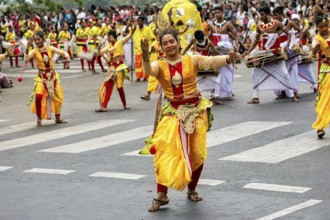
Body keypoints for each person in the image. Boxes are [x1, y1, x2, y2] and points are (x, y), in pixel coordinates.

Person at [141, 28, 238, 212]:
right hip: (173, 112)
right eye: (165, 43)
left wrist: (227, 59)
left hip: (195, 110)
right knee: (164, 151)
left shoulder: (191, 59)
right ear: (161, 47)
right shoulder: (159, 65)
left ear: (178, 42)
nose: (169, 45)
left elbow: (210, 61)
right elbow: (149, 71)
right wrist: (145, 56)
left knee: (197, 153)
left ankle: (192, 188)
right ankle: (162, 194)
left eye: (172, 41)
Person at [245, 6, 296, 104]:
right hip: (264, 55)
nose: (261, 17)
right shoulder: (259, 26)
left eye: (263, 15)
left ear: (268, 14)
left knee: (284, 74)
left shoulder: (277, 23)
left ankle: (292, 95)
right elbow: (256, 40)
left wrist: (287, 46)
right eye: (260, 15)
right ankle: (255, 97)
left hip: (276, 54)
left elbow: (289, 34)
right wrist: (249, 51)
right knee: (255, 74)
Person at [24, 31, 70, 126]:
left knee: (58, 98)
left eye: (39, 39)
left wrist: (67, 56)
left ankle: (57, 118)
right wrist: (27, 47)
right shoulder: (34, 51)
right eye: (35, 40)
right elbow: (26, 59)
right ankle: (39, 118)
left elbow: (62, 52)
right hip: (41, 78)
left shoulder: (50, 48)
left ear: (43, 39)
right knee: (38, 97)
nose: (37, 42)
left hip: (52, 77)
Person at [94, 25, 136, 112]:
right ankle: (104, 106)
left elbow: (129, 36)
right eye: (108, 36)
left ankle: (125, 104)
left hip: (119, 67)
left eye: (110, 36)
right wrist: (98, 47)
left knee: (119, 87)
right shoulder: (108, 46)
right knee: (108, 86)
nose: (109, 38)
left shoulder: (120, 42)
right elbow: (99, 53)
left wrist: (133, 30)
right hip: (111, 69)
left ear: (114, 36)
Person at [182, 30, 223, 104]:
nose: (200, 41)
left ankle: (215, 97)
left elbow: (216, 51)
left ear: (204, 37)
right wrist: (181, 57)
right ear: (196, 39)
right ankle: (190, 97)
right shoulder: (194, 40)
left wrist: (225, 57)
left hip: (207, 65)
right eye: (199, 40)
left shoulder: (209, 42)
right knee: (192, 81)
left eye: (201, 40)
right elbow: (187, 48)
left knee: (217, 79)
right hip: (197, 66)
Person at [209, 6, 237, 101]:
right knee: (217, 71)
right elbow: (209, 38)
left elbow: (236, 36)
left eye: (219, 12)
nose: (217, 14)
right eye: (215, 12)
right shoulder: (212, 25)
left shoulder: (228, 24)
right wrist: (210, 48)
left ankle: (228, 92)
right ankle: (216, 93)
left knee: (228, 71)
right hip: (216, 51)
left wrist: (235, 47)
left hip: (226, 50)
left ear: (223, 12)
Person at [311, 6, 330, 138]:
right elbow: (313, 52)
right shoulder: (316, 38)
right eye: (322, 26)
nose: (325, 28)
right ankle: (320, 126)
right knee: (324, 98)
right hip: (327, 69)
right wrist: (315, 49)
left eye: (327, 25)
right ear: (317, 27)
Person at [133, 16, 155, 82]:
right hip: (137, 49)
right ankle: (138, 77)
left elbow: (153, 38)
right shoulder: (135, 29)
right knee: (138, 64)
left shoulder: (147, 29)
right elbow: (128, 33)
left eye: (141, 21)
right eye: (138, 21)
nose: (139, 22)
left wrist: (151, 44)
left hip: (145, 49)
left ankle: (145, 76)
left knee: (145, 63)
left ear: (143, 22)